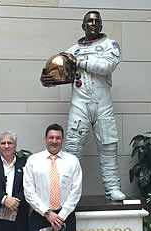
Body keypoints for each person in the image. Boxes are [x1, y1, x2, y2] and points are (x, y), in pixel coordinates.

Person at [40, 11, 125, 200]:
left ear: (101, 25)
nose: (93, 24)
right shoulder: (72, 51)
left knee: (108, 146)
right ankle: (69, 191)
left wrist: (79, 62)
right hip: (80, 104)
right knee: (72, 147)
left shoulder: (109, 45)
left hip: (102, 105)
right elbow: (61, 74)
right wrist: (48, 79)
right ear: (83, 25)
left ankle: (112, 188)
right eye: (89, 21)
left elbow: (107, 66)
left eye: (96, 21)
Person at [23, 124, 82, 231]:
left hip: (65, 219)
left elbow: (76, 191)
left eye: (57, 138)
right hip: (40, 218)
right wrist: (48, 214)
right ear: (45, 139)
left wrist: (60, 216)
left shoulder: (72, 161)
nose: (54, 141)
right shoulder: (33, 160)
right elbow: (29, 191)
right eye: (51, 137)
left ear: (62, 140)